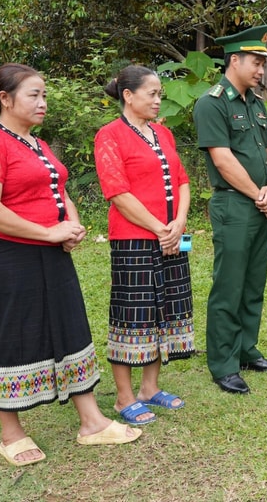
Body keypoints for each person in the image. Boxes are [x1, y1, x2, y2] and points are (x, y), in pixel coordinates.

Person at [0, 63, 141, 467]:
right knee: (12, 334)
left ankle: (92, 421)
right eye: (33, 95)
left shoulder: (36, 144)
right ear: (5, 99)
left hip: (51, 252)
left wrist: (72, 224)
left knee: (70, 324)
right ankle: (11, 433)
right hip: (10, 256)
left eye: (44, 95)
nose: (43, 103)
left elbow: (57, 188)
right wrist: (47, 233)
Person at [94, 65, 194, 425]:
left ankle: (149, 388)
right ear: (128, 95)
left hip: (170, 234)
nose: (158, 99)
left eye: (159, 93)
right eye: (151, 93)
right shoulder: (109, 136)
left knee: (163, 308)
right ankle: (123, 397)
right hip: (133, 237)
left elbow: (182, 181)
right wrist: (158, 228)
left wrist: (178, 223)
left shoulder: (162, 134)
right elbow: (118, 192)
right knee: (131, 313)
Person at [193, 25, 267, 395]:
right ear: (234, 60)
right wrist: (258, 195)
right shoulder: (212, 103)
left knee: (253, 283)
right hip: (234, 204)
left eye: (263, 63)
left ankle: (247, 349)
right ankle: (223, 363)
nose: (261, 69)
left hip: (262, 204)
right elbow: (223, 158)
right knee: (229, 285)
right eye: (256, 62)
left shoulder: (256, 104)